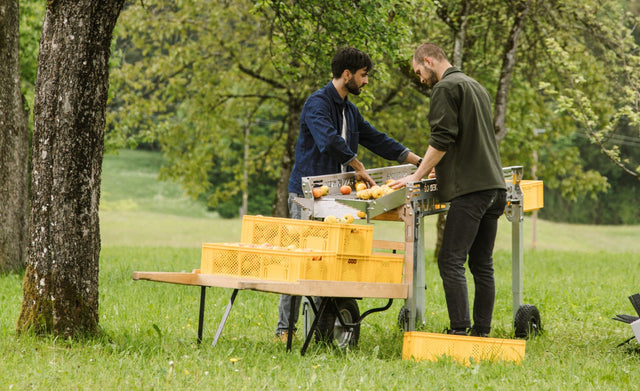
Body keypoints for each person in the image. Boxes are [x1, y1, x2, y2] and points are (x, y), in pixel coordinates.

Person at [276, 47, 422, 341]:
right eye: (363, 75)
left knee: (328, 265)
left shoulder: (349, 110)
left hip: (336, 201)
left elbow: (377, 139)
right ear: (347, 75)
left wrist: (419, 162)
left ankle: (320, 332)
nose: (366, 81)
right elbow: (327, 140)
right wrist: (357, 165)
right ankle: (286, 330)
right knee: (301, 265)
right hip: (308, 198)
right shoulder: (317, 104)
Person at [390, 43, 507, 337]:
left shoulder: (444, 88)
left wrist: (416, 176)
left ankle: (459, 331)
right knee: (482, 264)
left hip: (472, 189)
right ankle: (481, 332)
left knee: (450, 260)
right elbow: (464, 139)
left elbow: (442, 138)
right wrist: (434, 168)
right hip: (494, 186)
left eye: (419, 72)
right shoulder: (474, 86)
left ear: (428, 61)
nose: (420, 78)